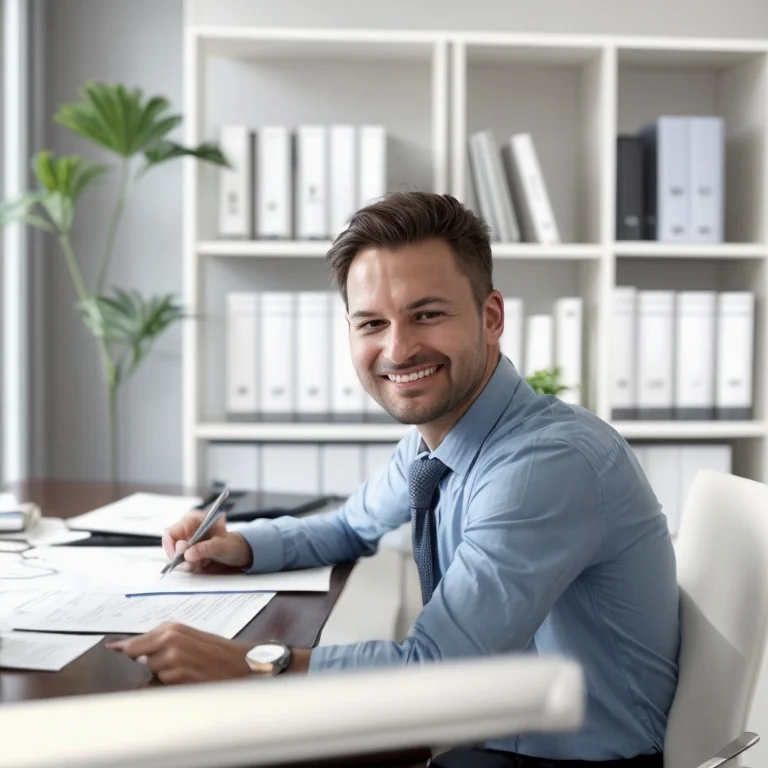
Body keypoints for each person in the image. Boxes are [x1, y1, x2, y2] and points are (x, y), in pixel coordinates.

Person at [108, 191, 680, 767]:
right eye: (372, 323)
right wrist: (241, 545)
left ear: (491, 317)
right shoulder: (435, 440)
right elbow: (349, 528)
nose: (398, 349)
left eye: (427, 314)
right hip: (490, 732)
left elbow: (436, 671)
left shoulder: (544, 465)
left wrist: (251, 664)